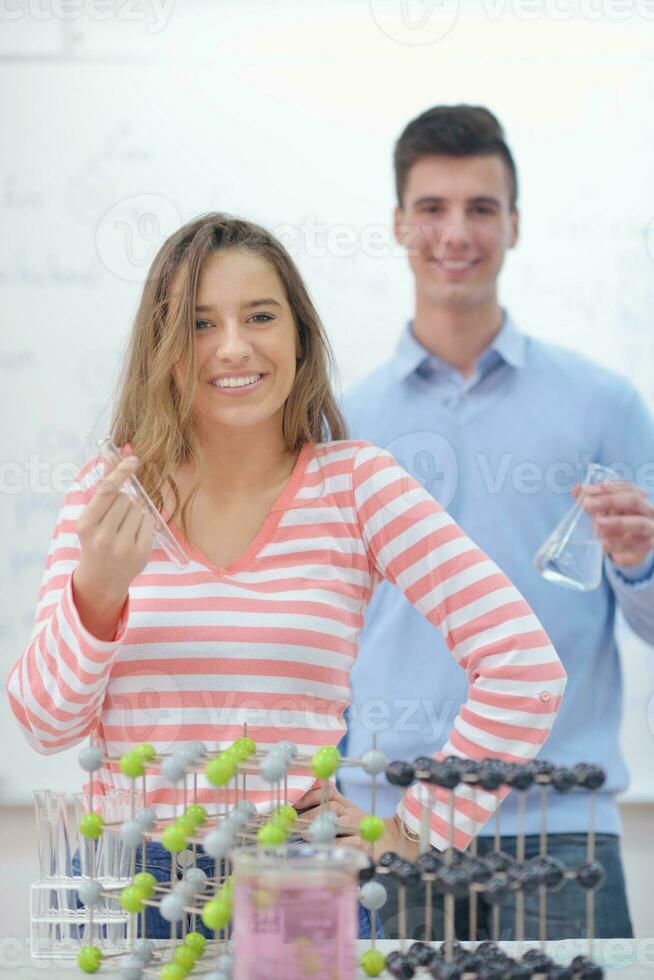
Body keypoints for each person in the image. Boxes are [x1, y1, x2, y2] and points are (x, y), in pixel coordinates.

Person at [7, 212, 565, 939]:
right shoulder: (107, 493)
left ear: (299, 334)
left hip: (296, 883)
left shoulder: (358, 485)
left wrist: (412, 830)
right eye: (199, 323)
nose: (233, 347)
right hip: (125, 890)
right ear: (162, 345)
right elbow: (44, 726)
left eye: (260, 316)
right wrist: (99, 593)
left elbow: (524, 667)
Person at [338, 105, 654, 941]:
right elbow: (321, 631)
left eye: (481, 207)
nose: (456, 232)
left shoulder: (605, 405)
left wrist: (639, 562)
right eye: (433, 207)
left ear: (513, 225)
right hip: (389, 827)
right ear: (400, 223)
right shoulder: (341, 422)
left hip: (559, 826)